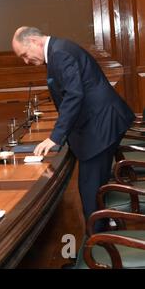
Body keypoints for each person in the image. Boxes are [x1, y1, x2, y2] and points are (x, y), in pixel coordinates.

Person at [12, 26, 135, 230]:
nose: (26, 61)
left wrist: (55, 137)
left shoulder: (59, 52)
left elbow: (74, 95)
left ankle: (97, 250)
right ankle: (104, 231)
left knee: (89, 190)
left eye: (24, 55)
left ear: (34, 41)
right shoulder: (58, 50)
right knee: (94, 188)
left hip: (101, 125)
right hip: (101, 122)